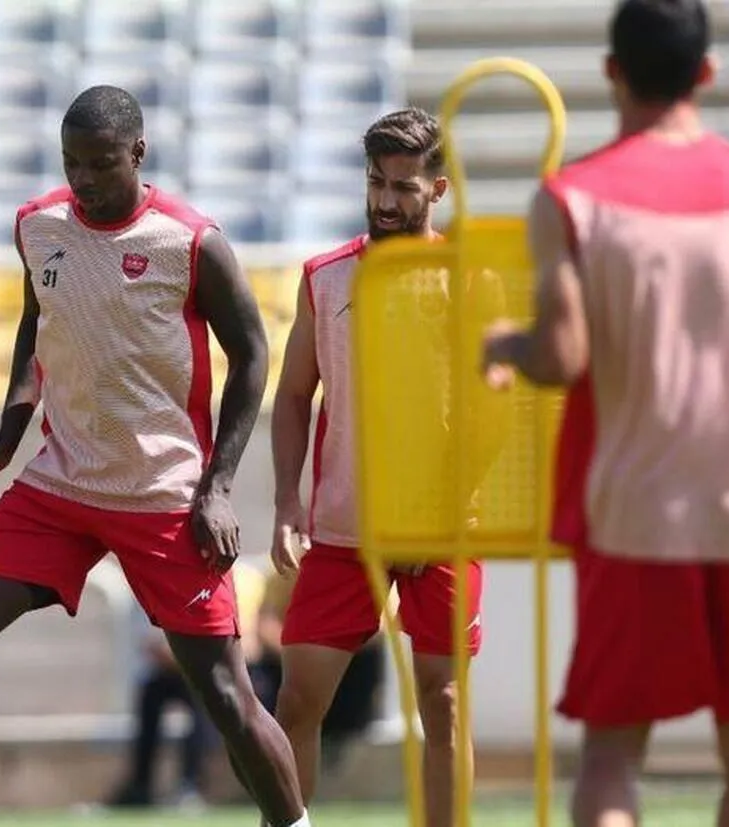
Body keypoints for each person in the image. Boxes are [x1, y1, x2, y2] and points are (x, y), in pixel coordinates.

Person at [480, 2, 729, 827]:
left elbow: (563, 355)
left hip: (632, 513)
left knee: (613, 749)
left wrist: (506, 344)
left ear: (612, 72)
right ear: (707, 72)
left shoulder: (571, 200)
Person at [0, 85, 309, 827]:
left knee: (225, 693)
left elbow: (252, 354)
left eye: (100, 162)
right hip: (61, 486)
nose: (83, 178)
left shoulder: (191, 241)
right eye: (72, 163)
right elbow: (37, 327)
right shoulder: (39, 226)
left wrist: (217, 486)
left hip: (163, 495)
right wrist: (6, 440)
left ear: (138, 153)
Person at [270, 107, 482, 827]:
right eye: (375, 183)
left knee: (442, 702)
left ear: (438, 189)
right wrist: (286, 502)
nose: (386, 200)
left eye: (403, 186)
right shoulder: (326, 278)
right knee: (297, 700)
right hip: (342, 527)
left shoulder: (470, 281)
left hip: (444, 529)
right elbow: (293, 396)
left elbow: (493, 415)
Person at [108, 559, 282, 810]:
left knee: (208, 695)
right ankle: (140, 784)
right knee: (153, 691)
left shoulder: (245, 579)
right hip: (188, 669)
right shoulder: (173, 578)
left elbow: (250, 646)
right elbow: (156, 647)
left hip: (237, 670)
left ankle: (192, 785)